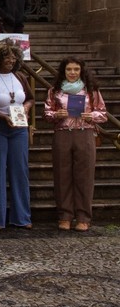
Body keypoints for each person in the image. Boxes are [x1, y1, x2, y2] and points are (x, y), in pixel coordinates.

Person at [44, 57, 107, 232]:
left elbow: (103, 113)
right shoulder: (55, 91)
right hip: (62, 134)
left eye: (76, 69)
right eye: (69, 69)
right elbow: (47, 113)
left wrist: (91, 116)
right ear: (63, 71)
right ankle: (65, 215)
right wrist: (57, 114)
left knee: (84, 176)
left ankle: (83, 217)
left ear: (81, 71)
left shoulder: (91, 91)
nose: (72, 73)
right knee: (62, 175)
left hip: (85, 133)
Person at [0, 41, 34, 230]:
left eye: (13, 57)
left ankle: (22, 217)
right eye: (6, 57)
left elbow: (29, 98)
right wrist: (3, 116)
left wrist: (26, 109)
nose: (10, 61)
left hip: (19, 129)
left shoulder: (20, 76)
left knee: (20, 171)